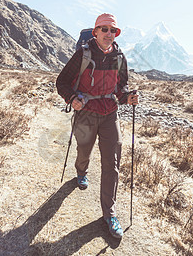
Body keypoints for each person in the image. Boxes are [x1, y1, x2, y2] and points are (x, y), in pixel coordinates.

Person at [56, 13, 139, 239]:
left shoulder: (120, 57)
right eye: (104, 29)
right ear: (95, 32)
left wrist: (127, 97)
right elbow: (61, 82)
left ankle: (109, 213)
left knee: (111, 164)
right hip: (86, 113)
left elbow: (121, 88)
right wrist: (72, 98)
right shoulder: (83, 54)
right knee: (84, 150)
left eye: (112, 30)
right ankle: (81, 171)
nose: (108, 34)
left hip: (110, 113)